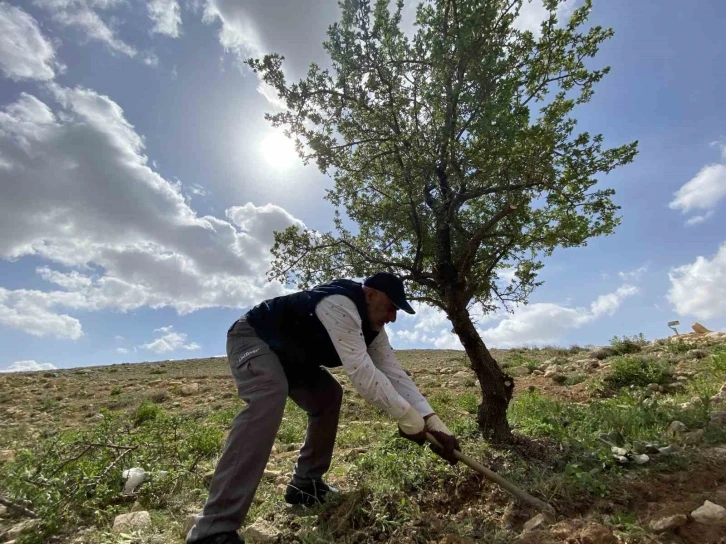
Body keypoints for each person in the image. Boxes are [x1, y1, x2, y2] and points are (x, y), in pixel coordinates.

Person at [186, 272, 462, 544]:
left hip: (292, 356)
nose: (393, 317)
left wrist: (434, 422)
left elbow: (395, 375)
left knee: (328, 396)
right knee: (269, 393)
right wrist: (406, 418)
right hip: (255, 338)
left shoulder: (375, 331)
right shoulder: (340, 304)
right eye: (391, 307)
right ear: (371, 295)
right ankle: (213, 528)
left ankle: (305, 485)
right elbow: (362, 372)